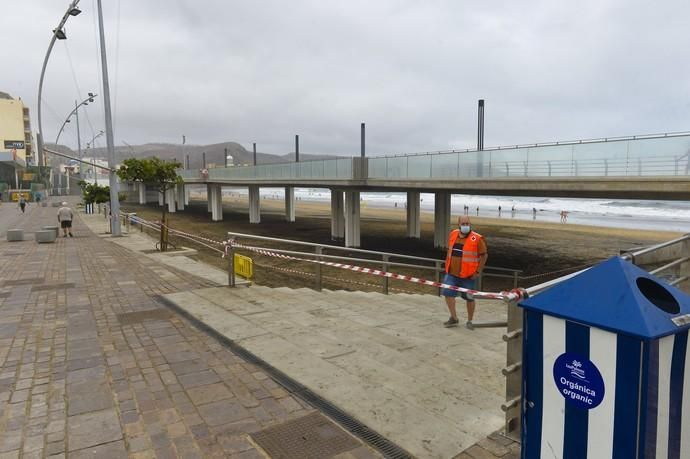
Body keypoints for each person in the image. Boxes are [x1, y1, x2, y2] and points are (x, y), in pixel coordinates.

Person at [441, 216, 488, 329]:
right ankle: (454, 318)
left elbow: (484, 255)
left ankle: (470, 321)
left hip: (468, 276)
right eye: (463, 223)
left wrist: (478, 271)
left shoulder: (477, 238)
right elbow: (450, 251)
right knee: (447, 294)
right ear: (458, 224)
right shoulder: (453, 234)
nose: (465, 225)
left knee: (469, 298)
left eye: (467, 223)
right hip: (451, 273)